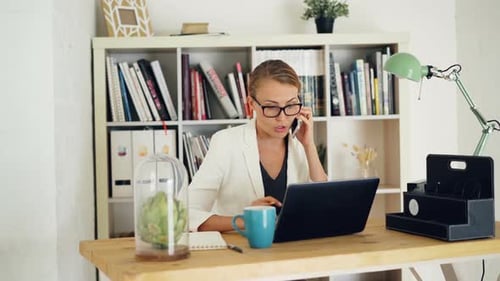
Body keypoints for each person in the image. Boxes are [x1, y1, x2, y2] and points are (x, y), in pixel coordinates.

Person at [187, 59, 328, 232]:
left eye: (291, 105)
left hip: (294, 249)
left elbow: (324, 204)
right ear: (251, 104)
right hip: (243, 251)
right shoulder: (225, 142)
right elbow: (186, 213)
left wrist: (309, 145)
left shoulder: (300, 144)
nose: (282, 118)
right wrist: (246, 219)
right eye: (271, 107)